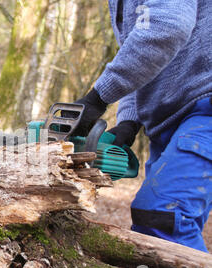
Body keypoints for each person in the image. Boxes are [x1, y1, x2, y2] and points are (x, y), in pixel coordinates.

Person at [73, 0, 212, 252]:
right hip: (172, 121)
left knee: (162, 217)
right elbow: (139, 55)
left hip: (204, 109)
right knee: (163, 231)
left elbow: (168, 25)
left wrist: (99, 97)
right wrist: (128, 121)